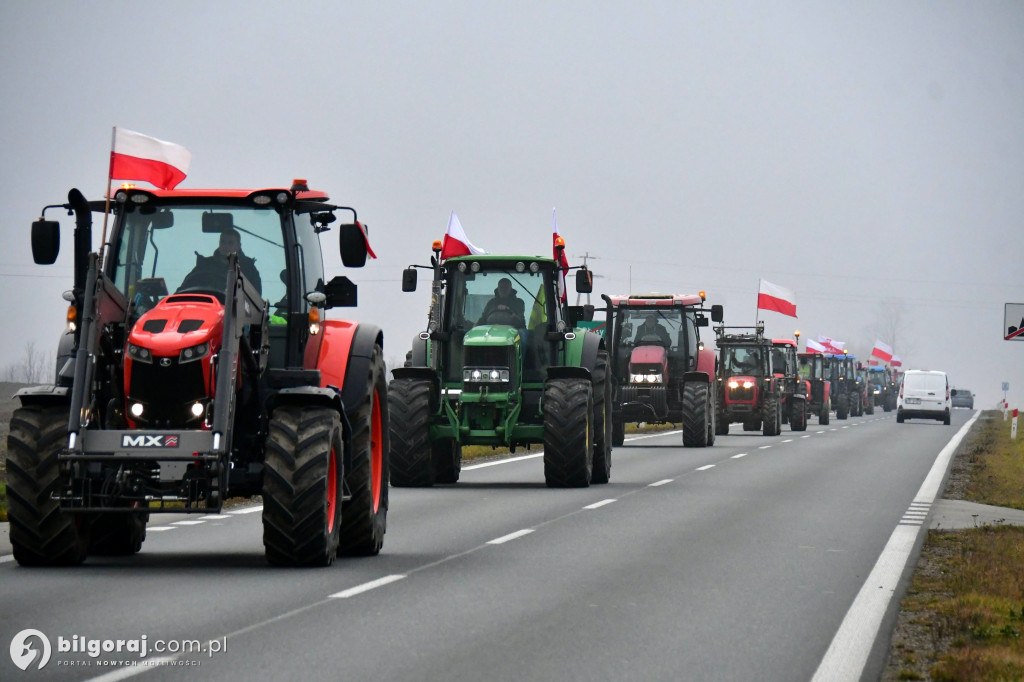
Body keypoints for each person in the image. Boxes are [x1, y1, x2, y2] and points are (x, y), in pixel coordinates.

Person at [179, 228, 262, 294]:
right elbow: (184, 289)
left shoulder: (249, 269)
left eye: (230, 243)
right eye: (223, 242)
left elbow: (255, 301)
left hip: (236, 314)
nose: (226, 246)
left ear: (239, 246)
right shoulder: (204, 265)